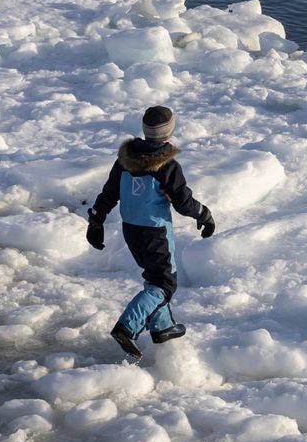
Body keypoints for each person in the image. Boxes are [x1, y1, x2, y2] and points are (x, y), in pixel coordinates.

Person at [86, 105, 216, 359]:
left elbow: (109, 193)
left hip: (131, 231)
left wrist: (96, 221)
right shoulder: (167, 166)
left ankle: (162, 326)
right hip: (155, 231)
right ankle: (127, 326)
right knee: (164, 283)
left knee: (154, 277)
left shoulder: (125, 160)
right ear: (170, 131)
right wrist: (204, 214)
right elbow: (183, 202)